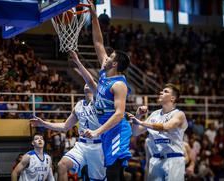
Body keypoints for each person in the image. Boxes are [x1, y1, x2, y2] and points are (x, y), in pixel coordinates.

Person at [70, 1, 132, 180]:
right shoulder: (106, 74)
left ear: (115, 64)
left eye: (110, 56)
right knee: (113, 170)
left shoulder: (119, 85)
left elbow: (120, 114)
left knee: (113, 170)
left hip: (117, 128)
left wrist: (97, 132)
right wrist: (94, 15)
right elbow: (98, 41)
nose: (105, 56)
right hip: (106, 129)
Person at [30, 85, 106, 181]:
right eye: (85, 83)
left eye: (89, 82)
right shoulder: (78, 105)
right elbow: (65, 126)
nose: (86, 84)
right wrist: (43, 123)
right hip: (82, 144)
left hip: (97, 146)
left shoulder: (100, 103)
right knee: (62, 165)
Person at [129, 83, 188, 181]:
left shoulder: (179, 114)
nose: (161, 92)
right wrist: (138, 115)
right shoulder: (154, 115)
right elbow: (135, 132)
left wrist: (141, 122)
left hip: (173, 159)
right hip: (155, 159)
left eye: (165, 91)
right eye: (162, 91)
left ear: (172, 98)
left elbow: (166, 127)